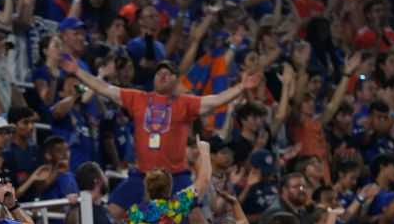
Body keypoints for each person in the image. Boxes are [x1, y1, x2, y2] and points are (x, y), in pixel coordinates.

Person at [62, 56, 259, 196]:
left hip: (175, 176)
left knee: (196, 218)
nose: (162, 76)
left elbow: (215, 100)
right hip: (141, 175)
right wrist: (78, 71)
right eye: (159, 73)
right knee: (113, 208)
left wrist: (241, 87)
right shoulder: (137, 98)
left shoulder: (185, 102)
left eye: (168, 73)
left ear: (176, 80)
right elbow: (104, 89)